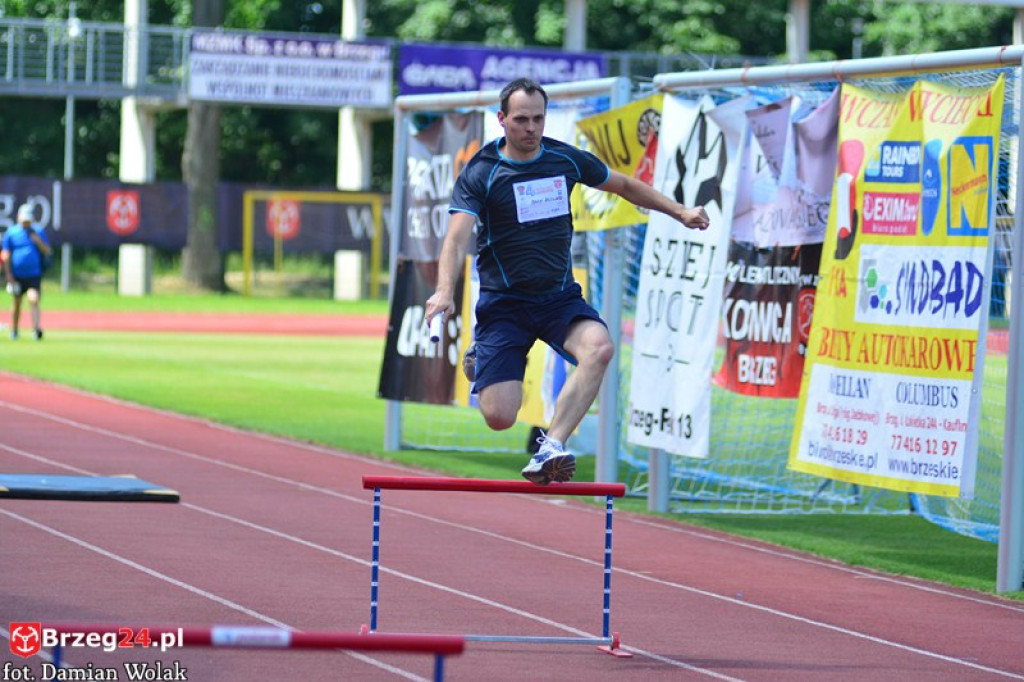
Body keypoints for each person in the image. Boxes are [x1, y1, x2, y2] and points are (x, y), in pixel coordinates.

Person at [424, 78, 710, 485]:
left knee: (600, 348)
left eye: (538, 119)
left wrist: (679, 211)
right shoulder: (482, 172)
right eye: (521, 119)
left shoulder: (564, 159)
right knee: (500, 417)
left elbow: (626, 185)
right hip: (504, 306)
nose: (531, 128)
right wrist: (442, 290)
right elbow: (454, 238)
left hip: (558, 299)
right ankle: (482, 358)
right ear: (501, 119)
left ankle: (551, 447)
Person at [2, 203, 52, 341]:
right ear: (18, 218)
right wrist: (8, 275)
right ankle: (14, 330)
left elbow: (47, 251)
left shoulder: (38, 231)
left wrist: (38, 241)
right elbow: (5, 255)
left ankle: (36, 330)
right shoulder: (11, 233)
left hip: (33, 274)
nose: (26, 223)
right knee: (17, 302)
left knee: (33, 298)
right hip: (17, 275)